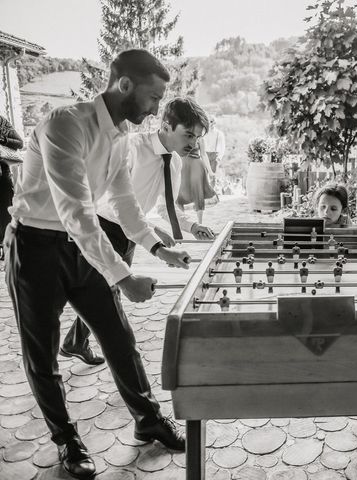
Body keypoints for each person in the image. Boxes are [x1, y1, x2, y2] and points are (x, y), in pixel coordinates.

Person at [5, 49, 192, 479]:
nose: (156, 108)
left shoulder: (121, 137)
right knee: (42, 354)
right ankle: (66, 439)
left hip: (77, 246)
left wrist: (157, 250)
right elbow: (77, 211)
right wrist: (123, 276)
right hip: (33, 245)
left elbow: (124, 204)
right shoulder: (64, 124)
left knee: (117, 333)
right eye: (153, 97)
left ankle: (147, 419)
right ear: (124, 85)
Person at [59, 97, 216, 366]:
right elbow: (112, 202)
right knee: (108, 293)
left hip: (131, 233)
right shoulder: (132, 148)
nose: (193, 143)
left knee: (108, 290)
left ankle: (75, 342)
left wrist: (192, 226)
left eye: (198, 137)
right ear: (167, 126)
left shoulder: (175, 163)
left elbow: (168, 207)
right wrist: (152, 232)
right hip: (104, 227)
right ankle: (127, 360)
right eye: (188, 134)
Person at [0, 114, 23, 262]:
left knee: (4, 212)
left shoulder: (0, 121)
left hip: (2, 176)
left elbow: (19, 143)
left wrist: (3, 139)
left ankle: (6, 246)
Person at [176, 136, 215, 224]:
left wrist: (210, 171)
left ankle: (200, 223)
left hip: (196, 165)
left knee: (198, 191)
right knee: (179, 194)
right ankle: (183, 222)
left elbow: (203, 154)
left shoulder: (200, 138)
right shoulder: (180, 133)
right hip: (182, 165)